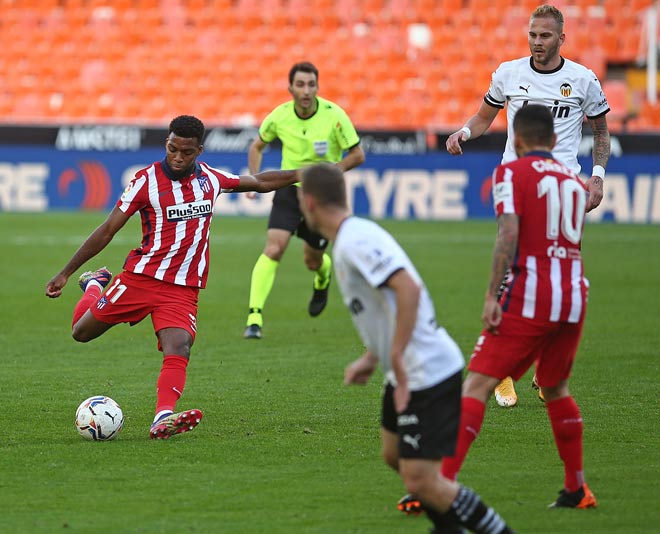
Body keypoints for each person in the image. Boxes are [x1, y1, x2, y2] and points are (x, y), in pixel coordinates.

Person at [45, 115, 300, 440]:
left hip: (182, 288)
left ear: (199, 151)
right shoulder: (145, 181)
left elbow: (260, 182)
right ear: (167, 142)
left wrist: (303, 174)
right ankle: (94, 285)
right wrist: (66, 272)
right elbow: (108, 229)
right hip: (141, 279)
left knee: (179, 344)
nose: (178, 157)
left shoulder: (210, 179)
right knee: (81, 333)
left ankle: (162, 417)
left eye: (186, 152)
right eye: (172, 148)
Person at [298, 162, 515, 534]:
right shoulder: (352, 236)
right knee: (394, 455)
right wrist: (373, 356)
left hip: (424, 368)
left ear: (310, 202)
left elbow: (408, 289)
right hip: (403, 368)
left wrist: (395, 358)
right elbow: (387, 305)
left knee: (420, 480)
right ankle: (451, 526)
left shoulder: (355, 240)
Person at [445, 3, 610, 409]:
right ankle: (503, 371)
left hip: (567, 189)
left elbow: (601, 132)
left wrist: (598, 176)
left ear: (561, 38)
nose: (537, 42)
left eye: (545, 35)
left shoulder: (583, 80)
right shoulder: (509, 73)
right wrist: (465, 131)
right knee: (514, 272)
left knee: (560, 280)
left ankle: (544, 371)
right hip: (518, 185)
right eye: (533, 34)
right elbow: (484, 117)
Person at [440, 104, 597, 510]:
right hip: (574, 293)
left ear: (519, 138)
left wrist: (492, 294)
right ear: (556, 139)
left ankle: (437, 486)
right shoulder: (574, 182)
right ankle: (577, 488)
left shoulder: (510, 173)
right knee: (556, 387)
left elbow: (508, 234)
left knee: (475, 385)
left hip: (533, 293)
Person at [242, 61, 365, 340]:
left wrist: (335, 170)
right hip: (288, 190)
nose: (306, 90)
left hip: (321, 196)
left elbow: (357, 154)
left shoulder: (335, 116)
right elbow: (256, 145)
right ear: (290, 88)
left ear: (317, 87)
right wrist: (253, 179)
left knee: (313, 260)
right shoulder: (279, 116)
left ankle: (322, 277)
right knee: (274, 248)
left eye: (311, 85)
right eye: (300, 84)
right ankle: (254, 317)